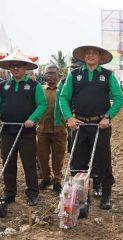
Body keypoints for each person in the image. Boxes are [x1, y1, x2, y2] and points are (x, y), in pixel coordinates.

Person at [60, 43, 123, 209]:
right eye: (87, 53)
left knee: (102, 160)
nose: (90, 55)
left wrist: (108, 117)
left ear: (99, 56)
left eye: (94, 53)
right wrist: (69, 117)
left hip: (100, 125)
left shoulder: (107, 75)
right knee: (77, 161)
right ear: (83, 56)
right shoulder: (74, 75)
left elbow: (119, 98)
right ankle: (81, 196)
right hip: (79, 125)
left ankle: (106, 195)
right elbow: (63, 98)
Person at [0, 50, 47, 206]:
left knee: (29, 164)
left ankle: (32, 192)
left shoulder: (34, 86)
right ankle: (9, 193)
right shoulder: (3, 85)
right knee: (8, 163)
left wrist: (32, 119)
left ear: (25, 68)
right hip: (7, 131)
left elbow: (42, 105)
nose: (15, 69)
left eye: (19, 66)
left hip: (26, 131)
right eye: (12, 66)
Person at [37, 64, 67, 194]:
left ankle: (57, 181)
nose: (50, 76)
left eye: (53, 73)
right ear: (45, 75)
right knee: (42, 157)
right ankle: (45, 178)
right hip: (42, 130)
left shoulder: (64, 90)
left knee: (58, 158)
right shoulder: (40, 90)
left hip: (59, 130)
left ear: (58, 75)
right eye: (48, 73)